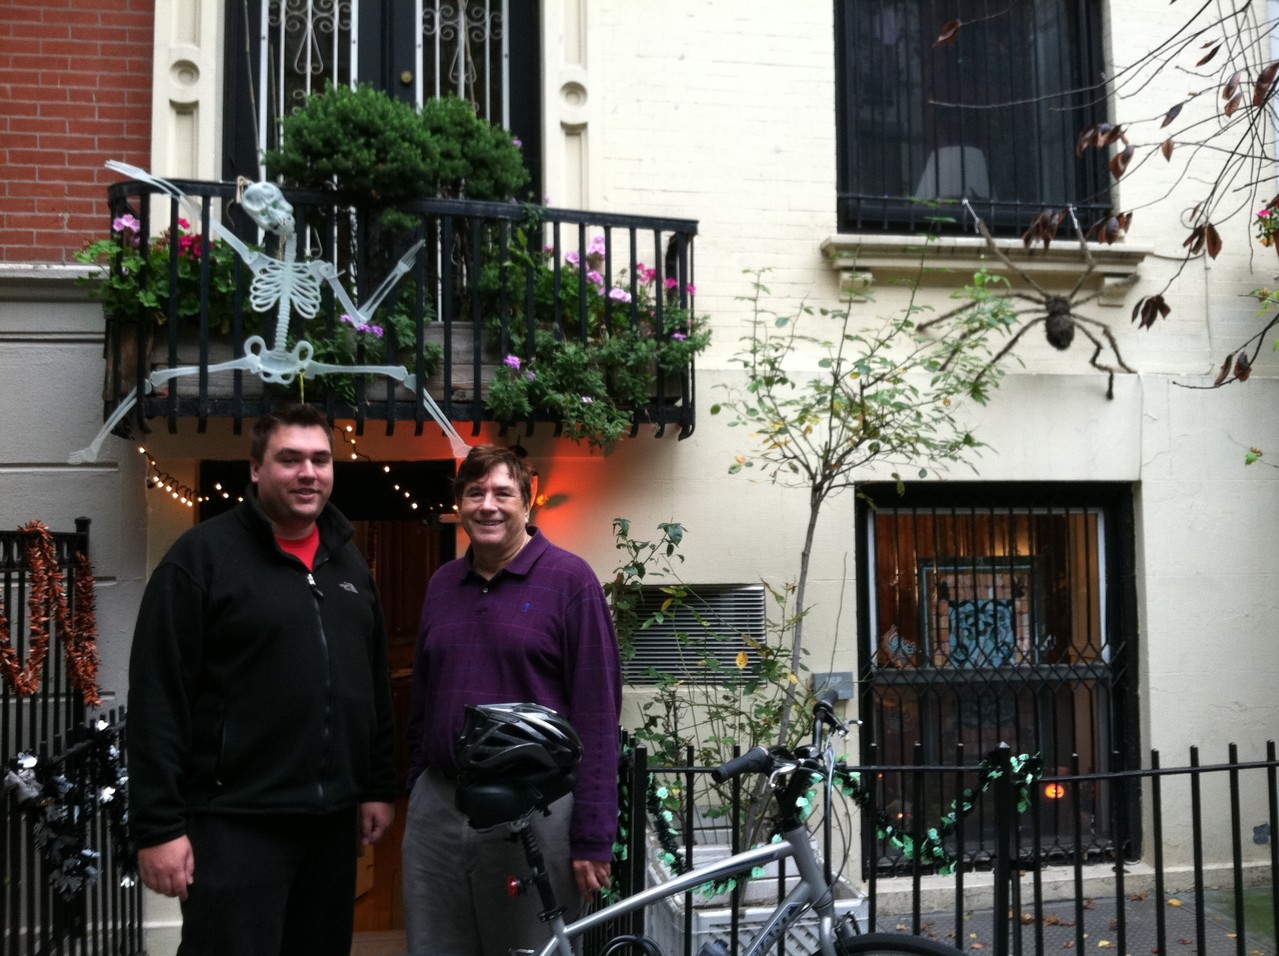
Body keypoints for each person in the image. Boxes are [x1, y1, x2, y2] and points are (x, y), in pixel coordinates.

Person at [126, 403, 396, 956]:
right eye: (290, 459)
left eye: (320, 459)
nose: (308, 473)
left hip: (329, 828)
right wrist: (157, 828)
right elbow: (158, 699)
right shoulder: (200, 560)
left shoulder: (349, 567)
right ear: (255, 469)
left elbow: (373, 685)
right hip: (233, 825)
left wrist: (376, 785)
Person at [402, 444, 622, 956]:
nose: (488, 505)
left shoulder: (571, 582)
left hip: (534, 810)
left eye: (503, 492)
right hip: (440, 808)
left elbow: (597, 715)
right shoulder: (442, 584)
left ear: (530, 501)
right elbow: (423, 699)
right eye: (474, 492)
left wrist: (592, 837)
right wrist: (418, 784)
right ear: (459, 504)